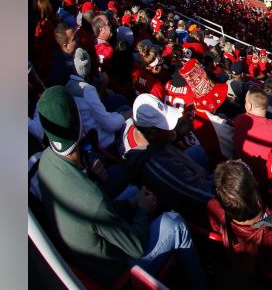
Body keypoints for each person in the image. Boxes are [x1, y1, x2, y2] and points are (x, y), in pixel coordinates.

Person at [35, 87, 204, 288]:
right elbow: (136, 246)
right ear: (79, 124)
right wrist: (141, 209)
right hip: (117, 274)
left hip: (87, 250)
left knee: (133, 191)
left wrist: (132, 202)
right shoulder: (92, 199)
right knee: (175, 223)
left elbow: (95, 210)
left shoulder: (45, 161)